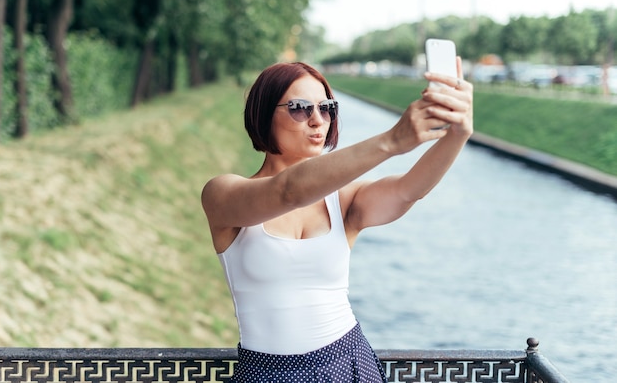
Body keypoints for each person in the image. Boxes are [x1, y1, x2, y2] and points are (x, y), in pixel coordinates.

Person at [201, 60, 473, 382]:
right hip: (264, 372)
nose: (318, 121)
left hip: (347, 361)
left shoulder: (343, 199)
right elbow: (288, 191)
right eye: (300, 108)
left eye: (327, 108)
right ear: (263, 114)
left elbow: (408, 191)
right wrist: (391, 141)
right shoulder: (222, 194)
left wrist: (457, 135)